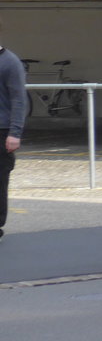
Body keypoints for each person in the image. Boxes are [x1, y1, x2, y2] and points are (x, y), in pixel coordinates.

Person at [0, 38, 26, 242]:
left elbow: (18, 99)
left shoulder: (10, 62)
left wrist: (15, 133)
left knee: (0, 180)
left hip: (2, 130)